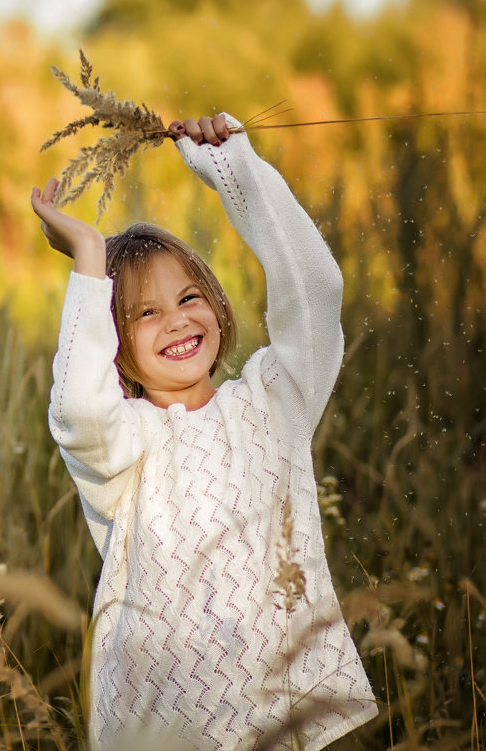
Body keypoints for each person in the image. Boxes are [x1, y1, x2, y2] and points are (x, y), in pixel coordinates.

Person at [31, 114, 378, 750]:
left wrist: (235, 171)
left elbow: (315, 294)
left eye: (189, 297)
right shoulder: (124, 444)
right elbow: (77, 409)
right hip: (172, 726)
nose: (175, 320)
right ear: (113, 343)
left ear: (216, 304)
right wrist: (88, 258)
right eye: (144, 312)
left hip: (290, 713)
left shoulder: (273, 400)